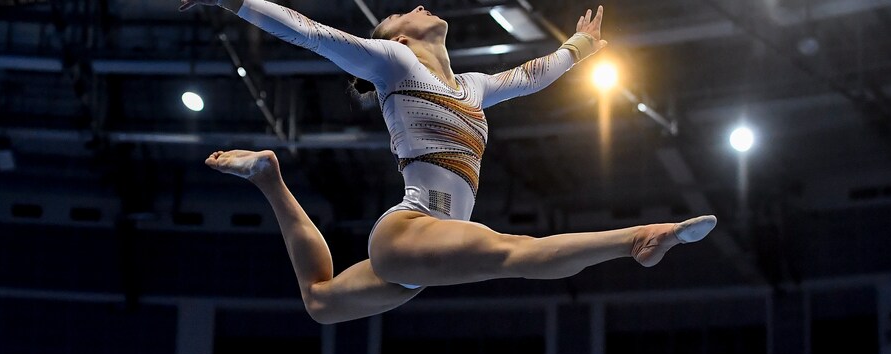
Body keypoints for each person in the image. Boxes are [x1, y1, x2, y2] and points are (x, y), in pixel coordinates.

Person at [179, 0, 717, 324]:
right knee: (516, 254)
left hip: (424, 244)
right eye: (402, 12)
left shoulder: (472, 87)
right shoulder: (392, 61)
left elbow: (530, 76)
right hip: (415, 232)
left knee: (319, 302)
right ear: (399, 36)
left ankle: (269, 178)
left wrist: (578, 47)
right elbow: (311, 33)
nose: (417, 6)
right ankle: (640, 238)